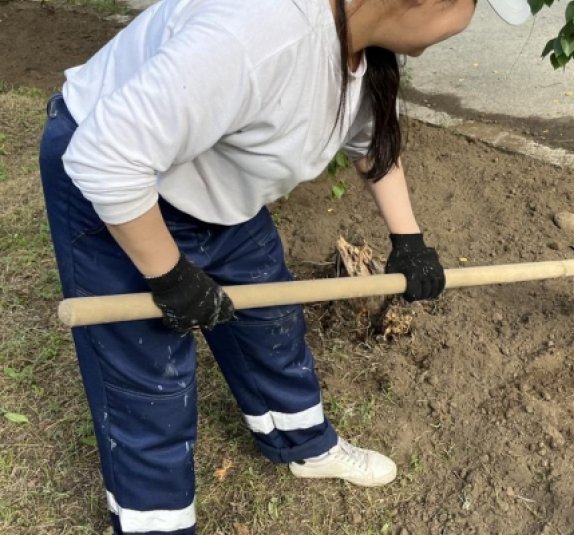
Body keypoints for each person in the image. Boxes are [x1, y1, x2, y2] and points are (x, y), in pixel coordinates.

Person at [38, 0, 534, 532]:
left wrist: (409, 239)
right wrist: (169, 274)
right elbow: (104, 158)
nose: (466, 23)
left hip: (211, 182)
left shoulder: (357, 42)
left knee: (271, 325)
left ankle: (301, 443)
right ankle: (155, 524)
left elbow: (369, 138)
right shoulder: (259, 31)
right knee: (150, 378)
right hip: (120, 188)